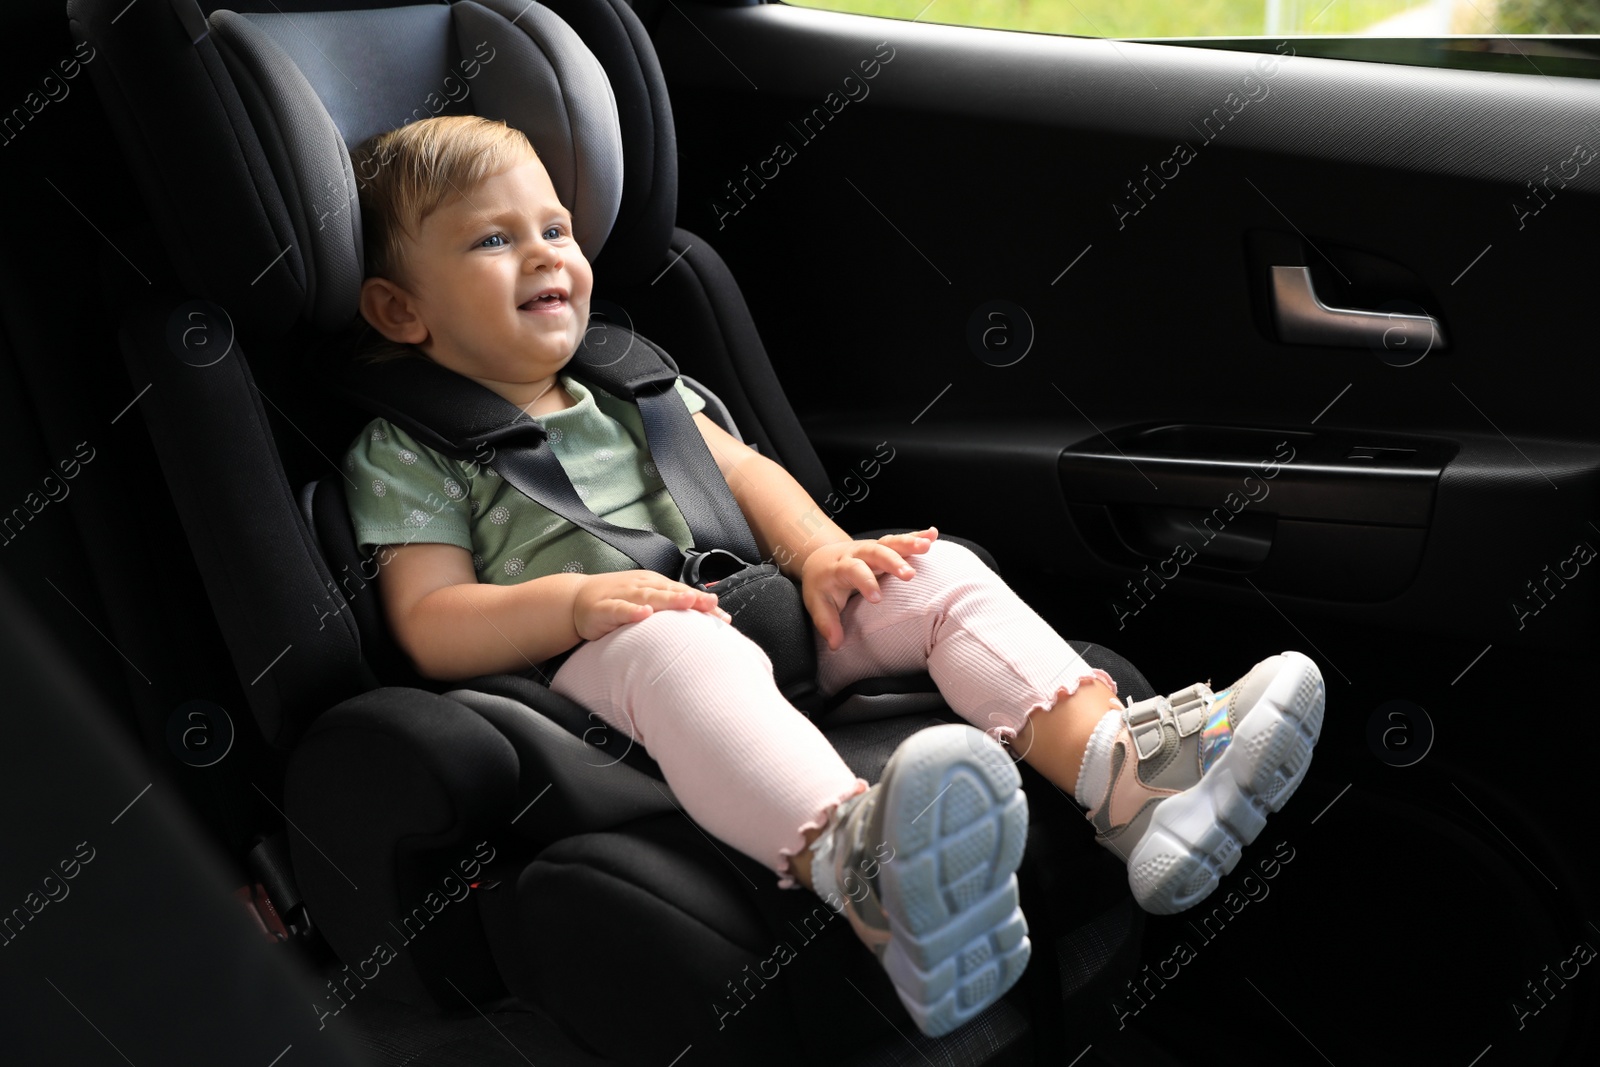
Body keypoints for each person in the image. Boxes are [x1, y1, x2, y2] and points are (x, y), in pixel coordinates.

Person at [340, 115, 1326, 1039]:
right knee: (674, 642)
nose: (547, 251)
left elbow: (750, 477)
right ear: (400, 308)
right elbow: (429, 621)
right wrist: (576, 599)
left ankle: (1129, 778)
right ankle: (871, 872)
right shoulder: (409, 448)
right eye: (493, 241)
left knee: (927, 563)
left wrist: (818, 554)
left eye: (555, 225)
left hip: (755, 618)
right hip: (593, 680)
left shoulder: (637, 384)